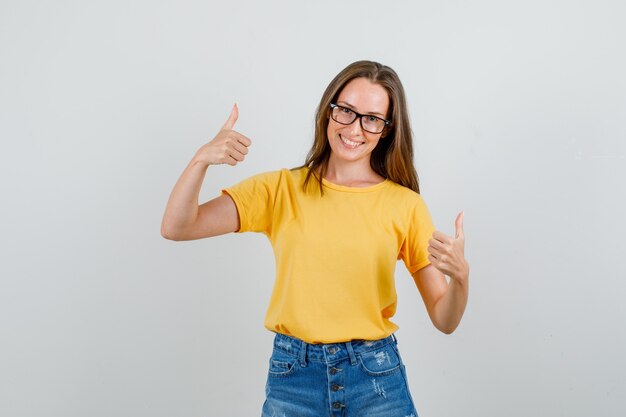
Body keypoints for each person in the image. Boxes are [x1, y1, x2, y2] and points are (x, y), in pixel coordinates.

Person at [161, 60, 469, 417]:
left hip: (376, 379)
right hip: (294, 377)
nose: (355, 128)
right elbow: (177, 226)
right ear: (328, 112)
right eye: (346, 111)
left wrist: (460, 278)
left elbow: (445, 320)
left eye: (371, 118)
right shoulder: (280, 190)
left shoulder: (406, 205)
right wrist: (201, 159)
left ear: (385, 130)